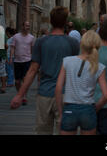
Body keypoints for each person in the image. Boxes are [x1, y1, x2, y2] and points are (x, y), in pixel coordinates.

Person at [10, 7, 80, 135]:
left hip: (45, 93)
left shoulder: (41, 42)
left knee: (42, 131)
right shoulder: (73, 43)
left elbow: (32, 70)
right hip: (66, 95)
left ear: (51, 22)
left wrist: (20, 95)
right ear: (65, 22)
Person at [55, 30, 107, 135]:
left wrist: (61, 112)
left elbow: (58, 88)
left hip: (69, 107)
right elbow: (106, 95)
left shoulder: (67, 61)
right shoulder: (99, 67)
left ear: (81, 44)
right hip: (88, 109)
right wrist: (95, 108)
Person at [9, 21, 35, 104]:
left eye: (29, 25)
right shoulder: (16, 37)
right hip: (17, 61)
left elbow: (32, 50)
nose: (28, 27)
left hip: (27, 60)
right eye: (26, 25)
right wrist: (10, 57)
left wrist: (33, 60)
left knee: (25, 79)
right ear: (22, 26)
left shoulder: (31, 37)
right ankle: (19, 93)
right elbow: (12, 48)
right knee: (17, 81)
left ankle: (23, 96)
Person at [0, 25, 8, 93]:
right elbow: (6, 46)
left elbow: (6, 46)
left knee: (2, 71)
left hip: (1, 55)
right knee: (2, 71)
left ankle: (3, 86)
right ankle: (3, 87)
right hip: (2, 55)